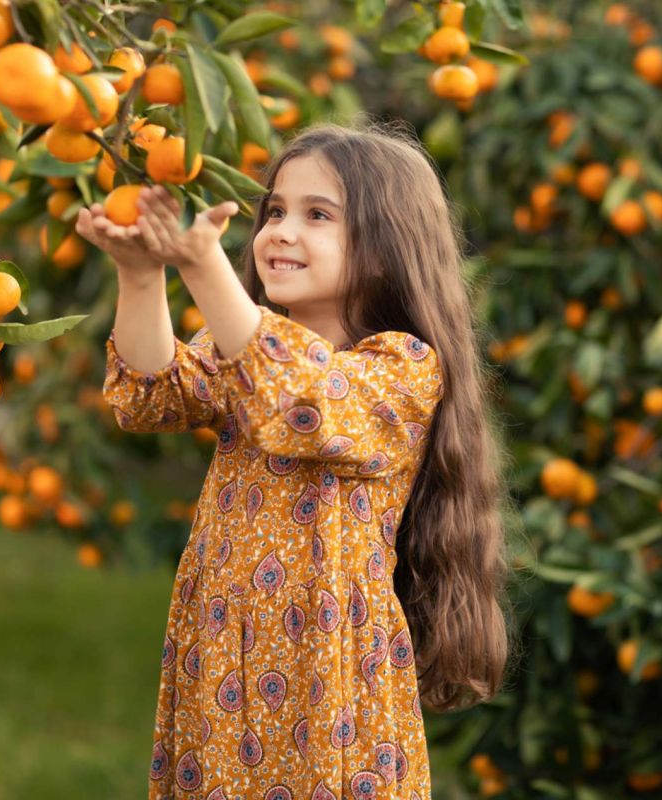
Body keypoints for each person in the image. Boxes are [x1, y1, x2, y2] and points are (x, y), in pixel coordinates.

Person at [77, 120, 515, 800]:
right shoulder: (245, 350)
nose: (281, 231)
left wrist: (203, 266)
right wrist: (139, 276)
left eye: (317, 216)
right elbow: (150, 397)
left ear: (386, 247)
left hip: (329, 673)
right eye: (275, 211)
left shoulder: (401, 367)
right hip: (223, 654)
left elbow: (301, 405)